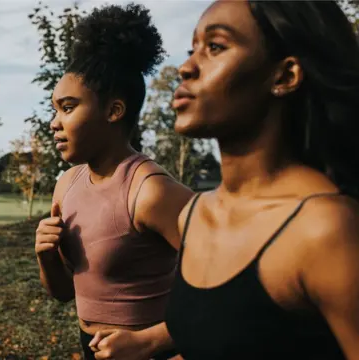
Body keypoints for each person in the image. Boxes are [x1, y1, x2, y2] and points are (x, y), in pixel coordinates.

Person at [90, 1, 359, 359]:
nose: (186, 68)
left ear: (284, 76)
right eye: (192, 49)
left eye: (215, 47)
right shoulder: (196, 214)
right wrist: (145, 342)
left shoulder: (324, 229)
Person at [34, 4, 194, 360]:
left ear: (113, 111)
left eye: (68, 107)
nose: (54, 123)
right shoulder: (67, 184)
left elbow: (232, 289)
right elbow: (63, 292)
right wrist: (46, 256)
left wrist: (152, 341)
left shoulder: (150, 191)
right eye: (54, 108)